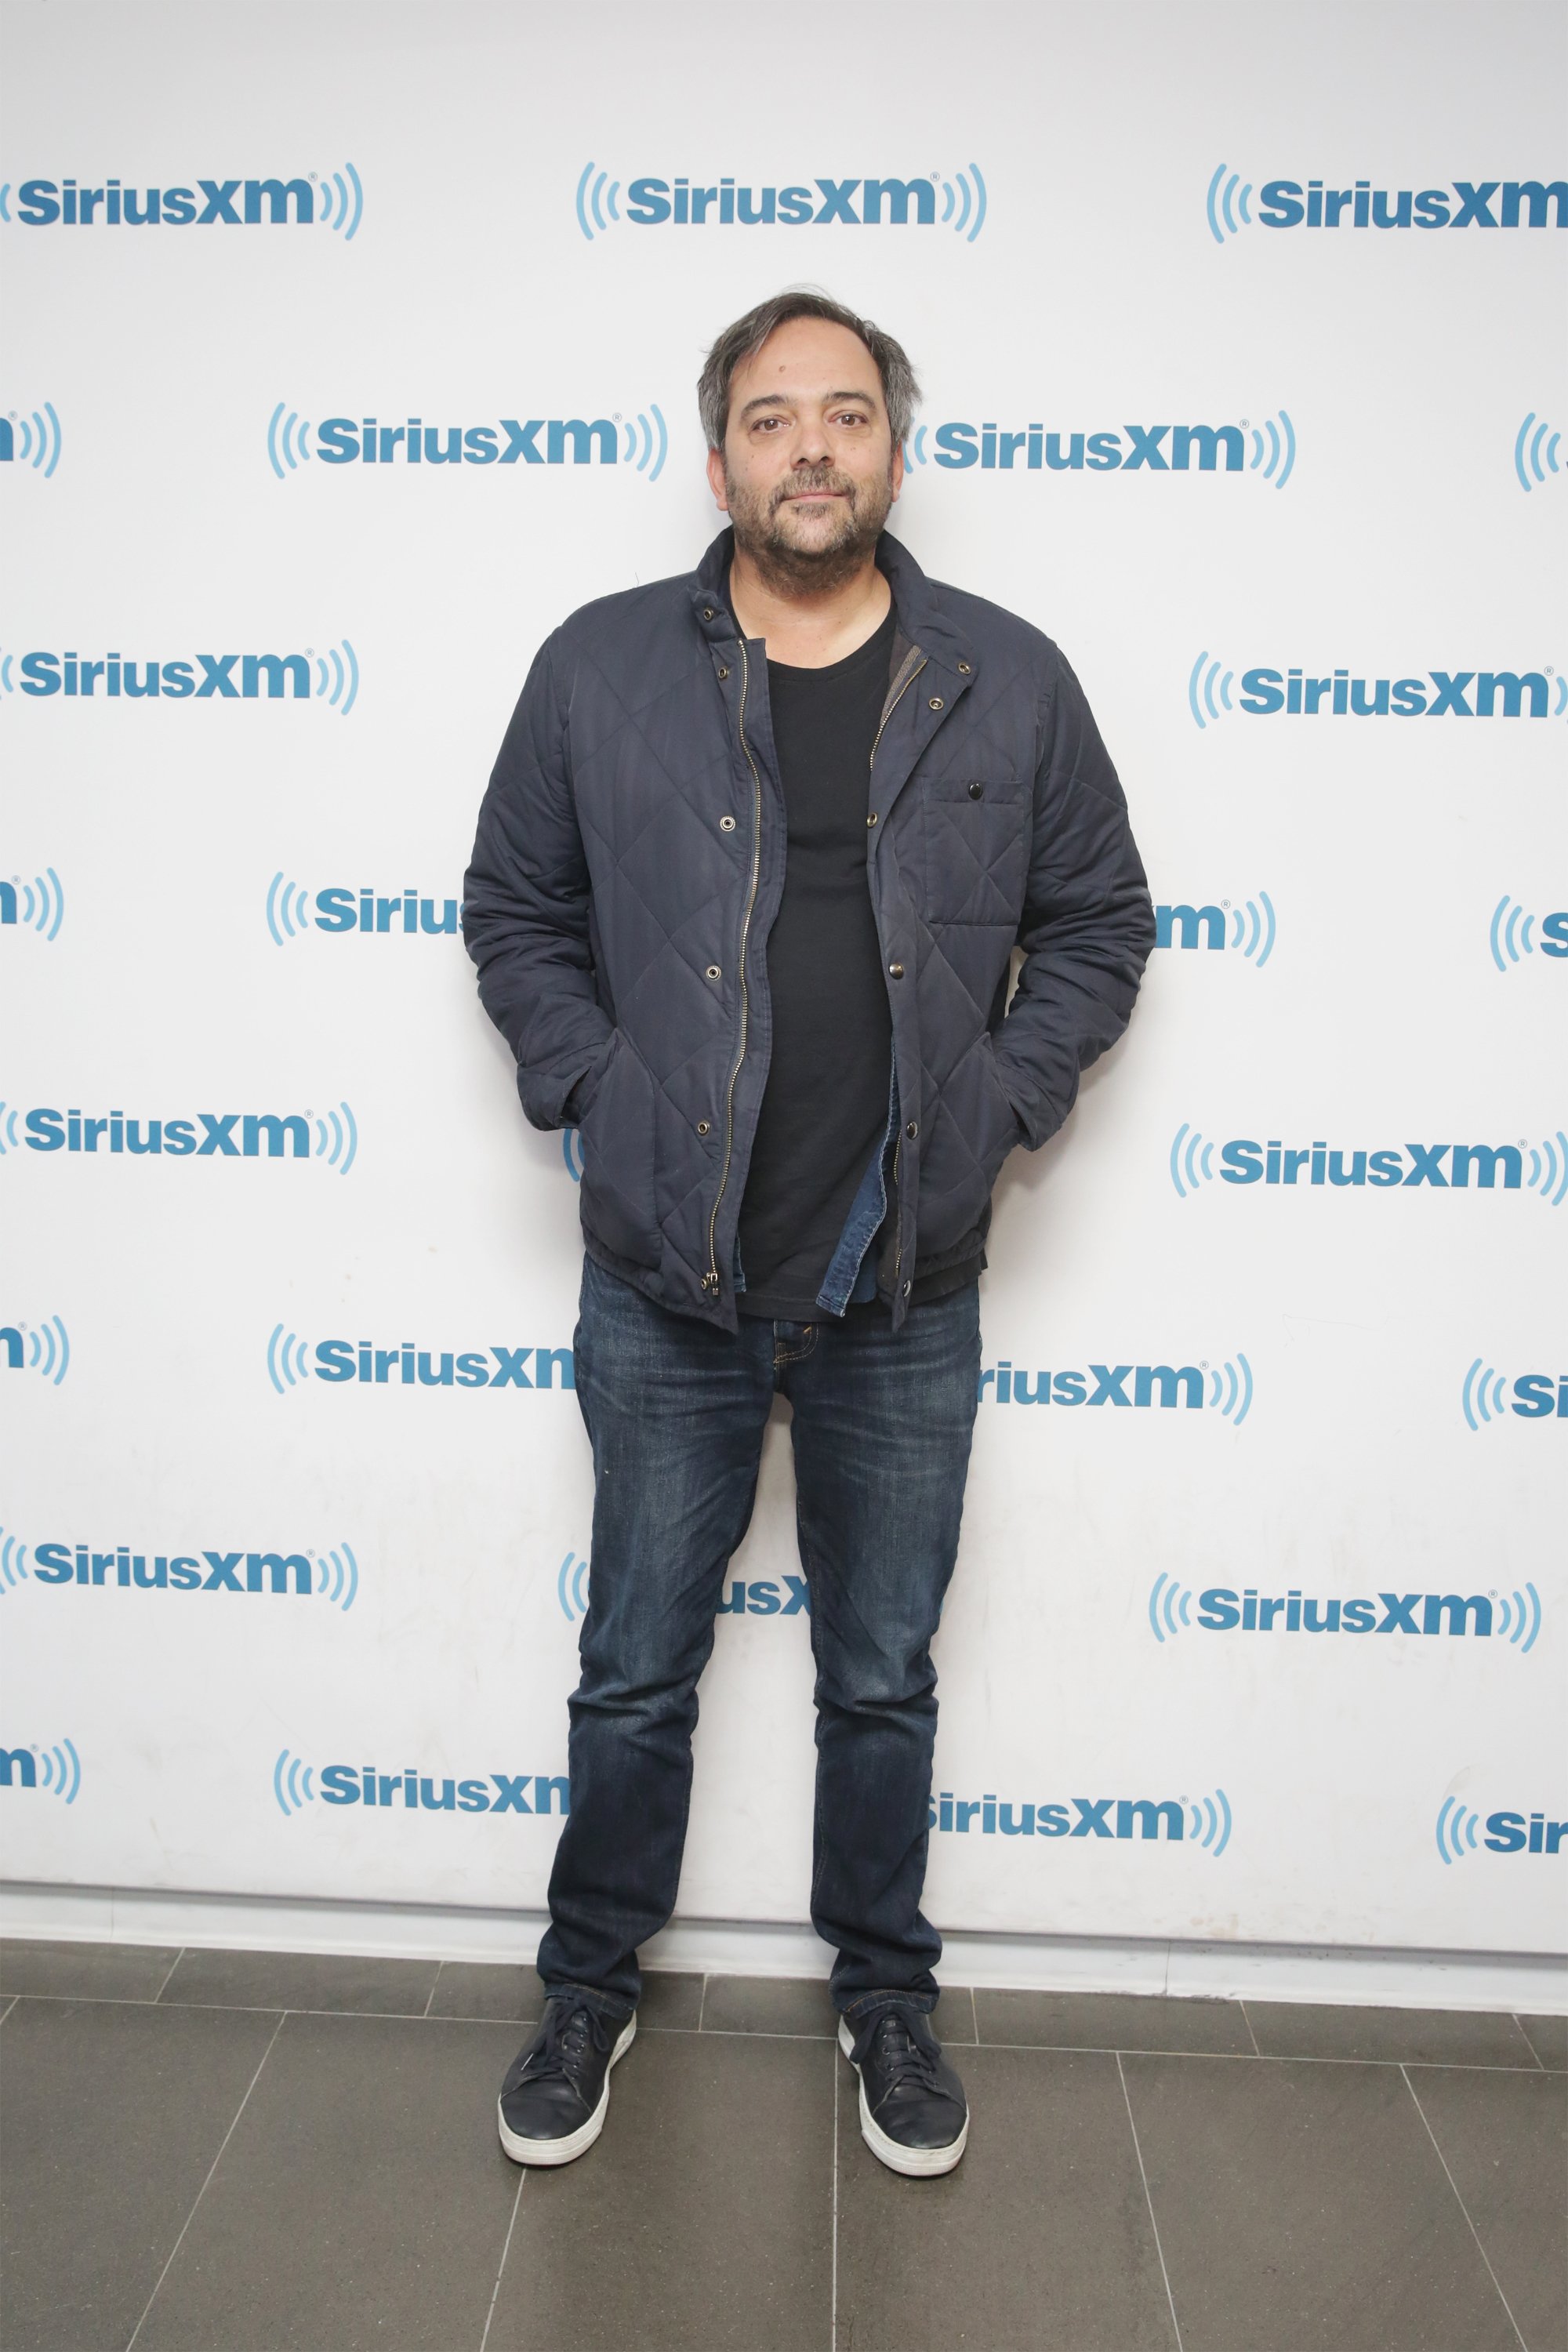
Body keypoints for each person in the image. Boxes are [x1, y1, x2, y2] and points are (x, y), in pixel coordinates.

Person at [463, 289, 1153, 2177]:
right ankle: (589, 1986)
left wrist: (1000, 1110)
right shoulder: (601, 669)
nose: (812, 450)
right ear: (718, 460)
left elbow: (1098, 922)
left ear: (894, 449)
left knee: (879, 1680)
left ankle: (885, 2002)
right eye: (772, 420)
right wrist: (597, 1088)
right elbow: (514, 906)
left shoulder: (1005, 677)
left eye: (846, 414)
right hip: (666, 1282)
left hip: (901, 1283)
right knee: (632, 1670)